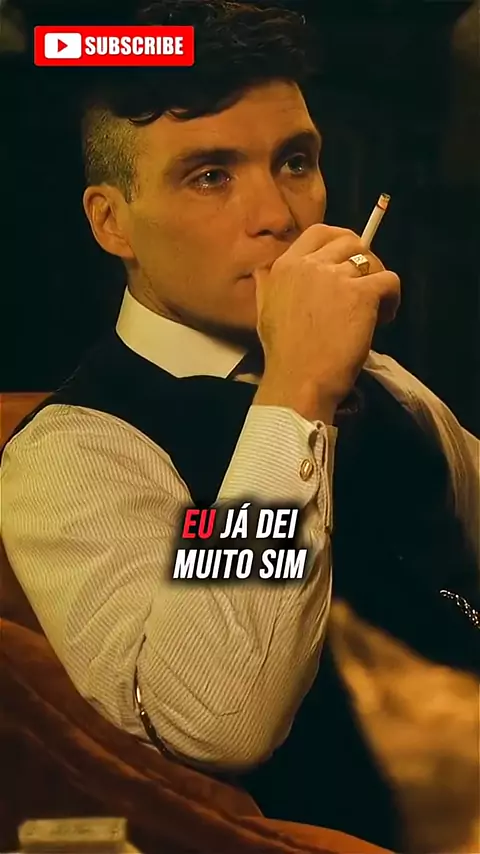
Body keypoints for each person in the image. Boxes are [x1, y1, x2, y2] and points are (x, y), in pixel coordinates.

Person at [2, 1, 479, 850]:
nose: (279, 216)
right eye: (210, 175)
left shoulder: (385, 382)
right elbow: (220, 719)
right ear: (112, 221)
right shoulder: (78, 448)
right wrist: (296, 389)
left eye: (294, 162)